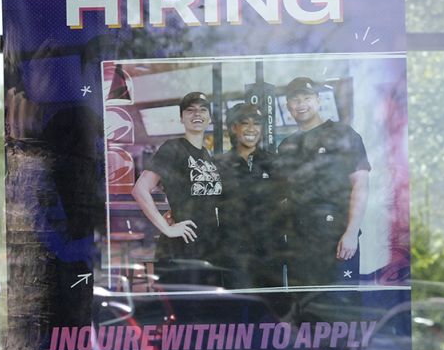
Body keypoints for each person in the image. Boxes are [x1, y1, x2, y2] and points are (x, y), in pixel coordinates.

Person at [275, 76, 370, 286]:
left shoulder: (343, 134)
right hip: (300, 242)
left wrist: (351, 233)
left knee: (339, 309)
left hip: (336, 239)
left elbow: (360, 185)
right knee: (304, 309)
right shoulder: (287, 146)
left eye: (307, 98)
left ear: (318, 100)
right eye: (295, 100)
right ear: (288, 106)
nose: (301, 105)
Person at [132, 91, 223, 280]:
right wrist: (167, 229)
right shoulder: (173, 148)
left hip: (207, 248)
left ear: (209, 118)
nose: (197, 114)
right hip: (181, 249)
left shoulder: (206, 154)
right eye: (190, 110)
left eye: (202, 110)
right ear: (181, 118)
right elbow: (140, 189)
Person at [215, 102, 285, 287]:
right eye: (245, 123)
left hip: (270, 250)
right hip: (234, 252)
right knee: (239, 308)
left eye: (257, 123)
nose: (252, 129)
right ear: (233, 127)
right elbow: (205, 204)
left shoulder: (275, 162)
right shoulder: (218, 165)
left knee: (270, 309)